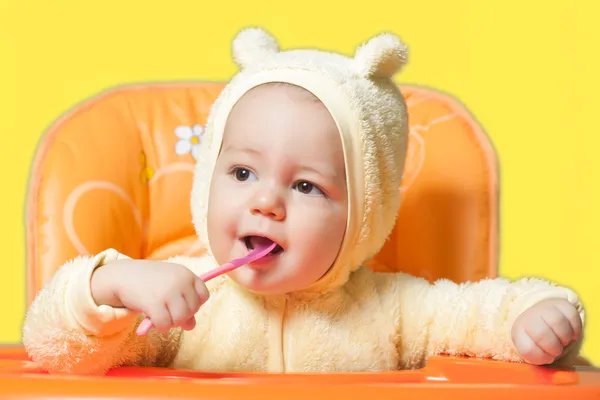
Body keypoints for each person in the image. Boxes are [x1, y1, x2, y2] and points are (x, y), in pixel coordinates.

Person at [22, 27, 585, 375]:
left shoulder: (393, 311)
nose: (266, 201)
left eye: (306, 186)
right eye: (242, 171)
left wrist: (538, 320)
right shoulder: (181, 306)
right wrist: (112, 287)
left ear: (363, 216)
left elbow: (486, 314)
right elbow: (52, 349)